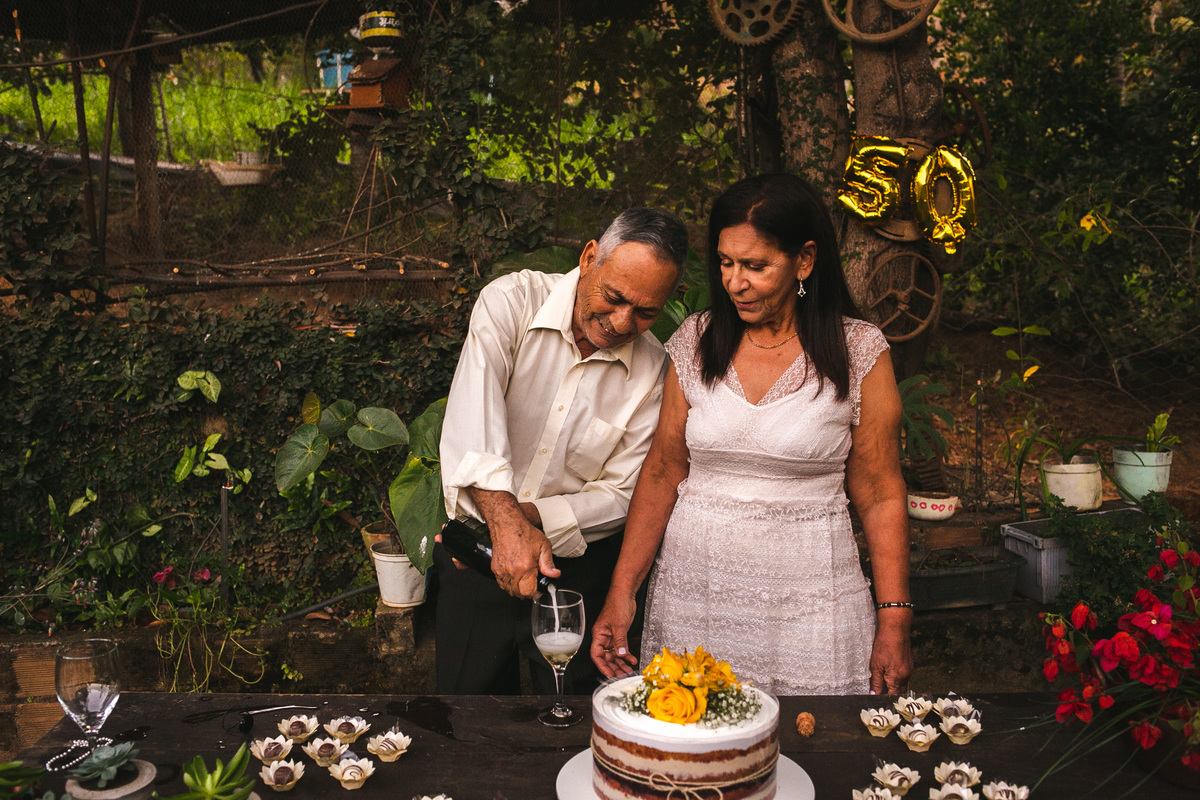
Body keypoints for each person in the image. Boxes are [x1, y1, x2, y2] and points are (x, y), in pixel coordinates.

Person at [590, 173, 912, 696]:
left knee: (814, 756)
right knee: (694, 753)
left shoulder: (858, 351)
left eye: (755, 266)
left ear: (804, 261)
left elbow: (879, 492)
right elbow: (663, 470)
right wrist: (622, 592)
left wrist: (895, 620)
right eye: (725, 262)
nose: (734, 282)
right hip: (696, 602)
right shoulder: (695, 339)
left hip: (814, 606)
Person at [436, 206, 690, 695]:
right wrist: (502, 528)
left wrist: (522, 520)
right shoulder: (510, 301)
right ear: (590, 256)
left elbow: (619, 495)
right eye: (614, 297)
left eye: (645, 311)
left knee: (571, 720)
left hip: (574, 574)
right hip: (475, 560)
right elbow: (474, 423)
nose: (621, 322)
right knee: (464, 717)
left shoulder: (657, 370)